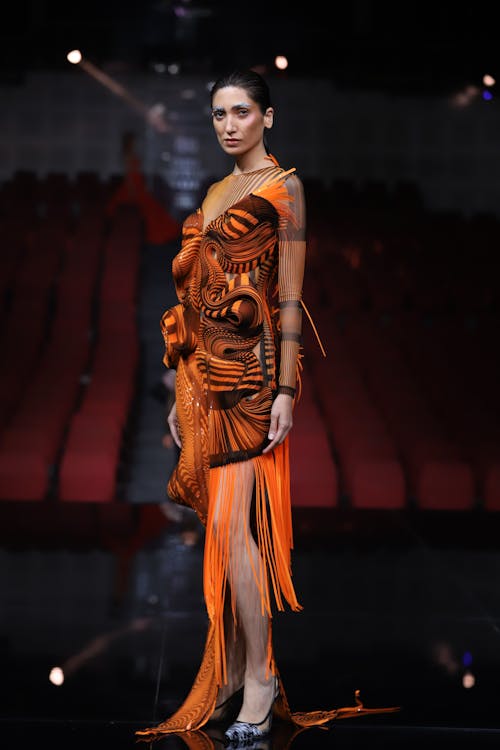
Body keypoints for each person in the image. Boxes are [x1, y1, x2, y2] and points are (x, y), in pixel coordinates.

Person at [136, 68, 398, 746]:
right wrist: (178, 387)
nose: (229, 124)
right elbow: (195, 298)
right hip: (203, 377)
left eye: (242, 111)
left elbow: (288, 298)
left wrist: (284, 389)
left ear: (268, 117)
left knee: (230, 529)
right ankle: (234, 674)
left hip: (252, 381)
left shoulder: (284, 189)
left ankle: (260, 676)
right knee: (221, 532)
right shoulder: (218, 188)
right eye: (220, 113)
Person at [106, 130, 181, 245]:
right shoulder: (127, 155)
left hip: (138, 185)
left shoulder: (131, 154)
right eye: (133, 142)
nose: (135, 144)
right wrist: (132, 191)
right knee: (150, 210)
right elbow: (129, 176)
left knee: (153, 209)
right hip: (135, 187)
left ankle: (160, 234)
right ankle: (155, 236)